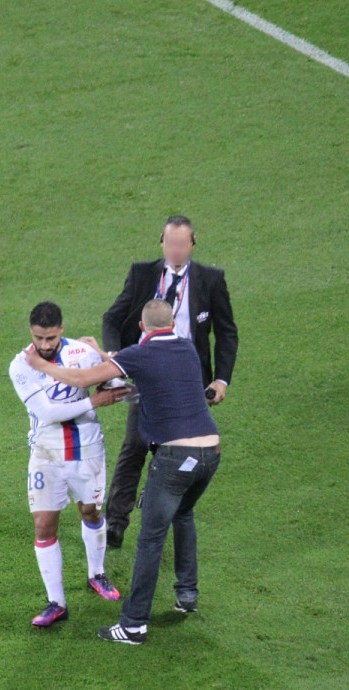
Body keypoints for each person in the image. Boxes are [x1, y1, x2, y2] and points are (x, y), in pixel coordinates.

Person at [25, 299, 223, 644]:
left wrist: (42, 365)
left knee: (150, 538)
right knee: (185, 515)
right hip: (210, 454)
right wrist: (105, 354)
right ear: (171, 324)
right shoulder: (187, 348)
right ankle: (186, 593)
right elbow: (136, 373)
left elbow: (85, 378)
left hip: (176, 458)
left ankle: (133, 625)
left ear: (143, 328)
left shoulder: (139, 353)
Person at [101, 215, 237, 547]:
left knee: (174, 450)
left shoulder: (211, 280)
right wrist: (116, 356)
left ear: (192, 245)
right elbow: (113, 317)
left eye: (181, 244)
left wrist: (221, 380)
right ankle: (115, 524)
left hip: (189, 381)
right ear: (161, 241)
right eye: (169, 243)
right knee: (134, 445)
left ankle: (156, 501)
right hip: (147, 375)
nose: (175, 250)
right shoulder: (142, 274)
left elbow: (226, 332)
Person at [9, 302, 128, 627]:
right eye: (38, 338)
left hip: (87, 451)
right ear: (31, 333)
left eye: (50, 338)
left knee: (91, 512)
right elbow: (46, 413)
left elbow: (125, 386)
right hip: (46, 455)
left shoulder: (83, 353)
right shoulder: (21, 365)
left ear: (61, 329)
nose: (44, 345)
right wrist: (93, 400)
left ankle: (96, 573)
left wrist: (103, 356)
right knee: (44, 525)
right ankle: (56, 602)